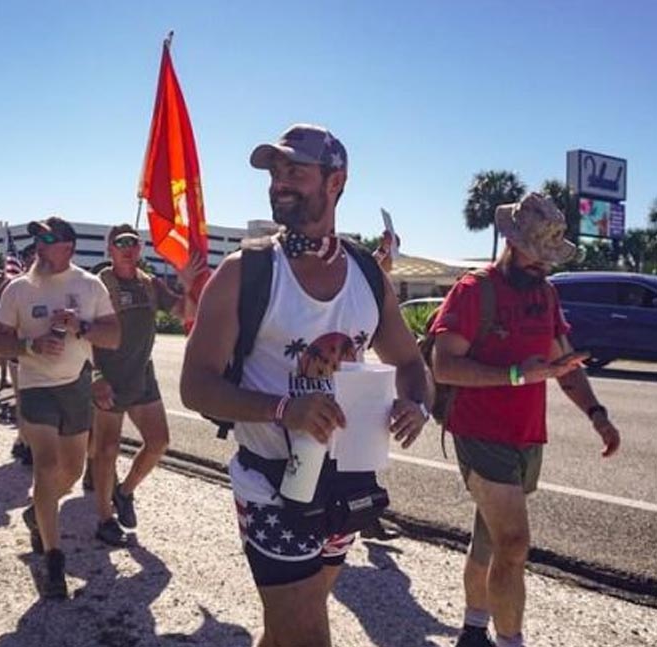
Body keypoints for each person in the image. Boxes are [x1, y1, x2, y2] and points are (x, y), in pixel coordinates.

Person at [180, 124, 430, 647]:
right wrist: (281, 410)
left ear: (335, 181)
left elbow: (409, 363)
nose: (279, 182)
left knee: (291, 626)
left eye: (295, 170)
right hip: (271, 485)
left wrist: (416, 405)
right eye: (275, 172)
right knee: (310, 636)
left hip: (347, 484)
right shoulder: (243, 272)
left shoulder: (365, 270)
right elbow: (195, 386)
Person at [429, 193, 621, 647]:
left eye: (550, 260)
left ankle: (473, 629)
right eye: (538, 257)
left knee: (490, 541)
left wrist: (598, 415)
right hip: (479, 434)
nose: (544, 268)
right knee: (514, 544)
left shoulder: (546, 294)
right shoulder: (474, 291)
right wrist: (517, 375)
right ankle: (509, 639)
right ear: (513, 244)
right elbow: (444, 366)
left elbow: (562, 363)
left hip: (527, 437)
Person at [0, 215, 120, 599]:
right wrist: (31, 347)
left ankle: (35, 513)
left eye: (47, 241)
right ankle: (54, 558)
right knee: (45, 465)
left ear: (68, 247)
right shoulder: (18, 288)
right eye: (37, 242)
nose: (39, 248)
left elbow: (113, 336)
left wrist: (81, 326)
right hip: (35, 387)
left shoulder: (89, 285)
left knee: (72, 472)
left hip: (76, 384)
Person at [88, 224, 202, 546]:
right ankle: (104, 518)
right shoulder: (98, 286)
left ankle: (123, 493)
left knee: (159, 443)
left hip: (141, 375)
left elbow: (185, 312)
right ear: (109, 249)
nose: (128, 248)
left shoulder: (149, 284)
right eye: (120, 243)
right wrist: (96, 377)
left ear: (140, 249)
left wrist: (188, 282)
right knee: (107, 450)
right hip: (108, 377)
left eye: (133, 243)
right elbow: (83, 335)